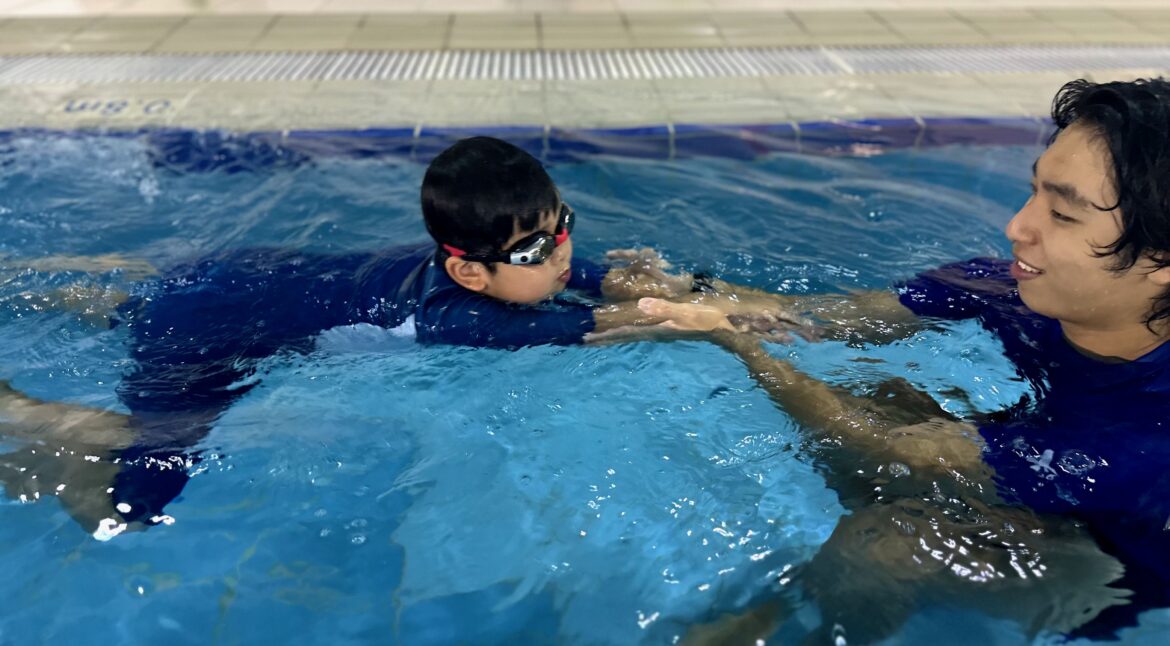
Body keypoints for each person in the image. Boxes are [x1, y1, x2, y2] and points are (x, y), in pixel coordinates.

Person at [0, 136, 794, 539]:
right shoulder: (459, 315)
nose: (560, 256)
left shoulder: (508, 266)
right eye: (534, 250)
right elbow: (601, 330)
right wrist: (695, 323)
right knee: (138, 498)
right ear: (471, 270)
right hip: (204, 331)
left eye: (562, 232)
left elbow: (614, 289)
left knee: (127, 298)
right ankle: (41, 417)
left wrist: (683, 287)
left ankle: (57, 282)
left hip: (232, 274)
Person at [648, 77, 1170, 641]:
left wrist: (739, 345)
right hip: (1039, 484)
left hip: (1108, 574)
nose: (1017, 227)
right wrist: (685, 291)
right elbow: (819, 316)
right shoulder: (1025, 293)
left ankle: (788, 628)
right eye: (1034, 191)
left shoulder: (1148, 436)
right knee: (890, 394)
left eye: (1063, 215)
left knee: (887, 541)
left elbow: (892, 451)